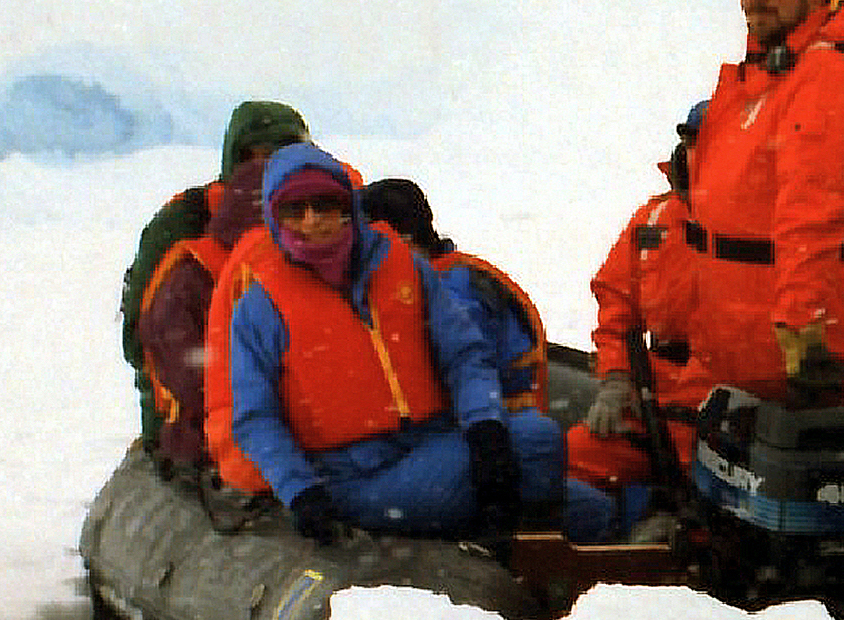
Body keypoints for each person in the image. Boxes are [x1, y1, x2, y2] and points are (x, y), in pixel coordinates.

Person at [213, 141, 566, 542]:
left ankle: (524, 543)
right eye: (295, 210)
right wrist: (301, 492)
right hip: (353, 474)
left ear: (347, 207)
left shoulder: (402, 266)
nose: (311, 221)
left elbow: (463, 353)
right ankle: (507, 550)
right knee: (484, 475)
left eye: (324, 205)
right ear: (275, 219)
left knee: (539, 439)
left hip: (432, 439)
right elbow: (256, 417)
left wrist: (485, 427)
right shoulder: (260, 308)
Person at [684, 0, 844, 406]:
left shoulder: (825, 77)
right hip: (744, 351)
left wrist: (801, 329)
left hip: (794, 362)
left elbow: (812, 211)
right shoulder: (768, 73)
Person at [130, 99, 308, 465]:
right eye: (256, 158)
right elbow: (141, 337)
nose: (267, 170)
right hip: (198, 426)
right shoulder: (186, 225)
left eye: (281, 156)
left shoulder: (316, 214)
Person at [565, 103, 706, 530]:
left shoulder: (765, 224)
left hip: (724, 403)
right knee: (568, 460)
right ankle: (641, 514)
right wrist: (615, 380)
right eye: (691, 143)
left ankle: (671, 519)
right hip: (651, 400)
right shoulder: (651, 221)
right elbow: (616, 310)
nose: (697, 154)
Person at [358, 177, 548, 412]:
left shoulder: (452, 290)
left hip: (501, 414)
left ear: (400, 240)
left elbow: (467, 366)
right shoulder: (453, 272)